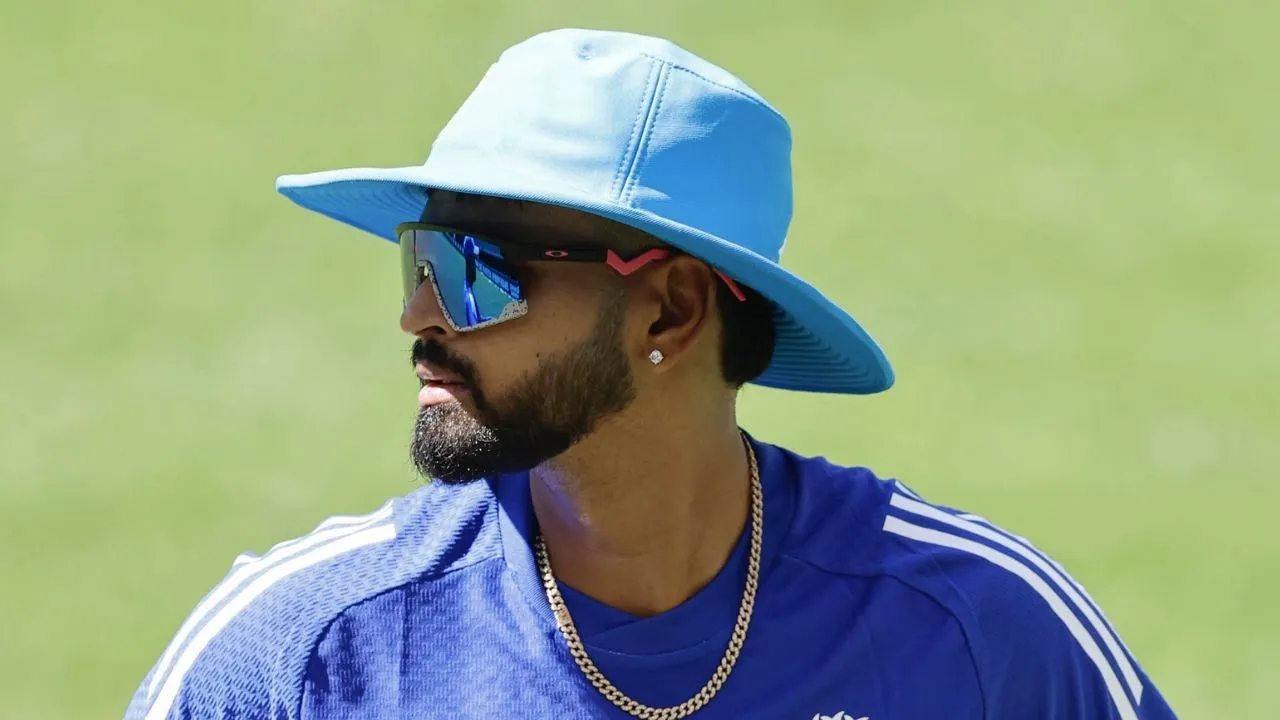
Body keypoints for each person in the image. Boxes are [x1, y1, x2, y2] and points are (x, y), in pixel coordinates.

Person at [124, 28, 1177, 720]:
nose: (418, 316)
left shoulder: (976, 629)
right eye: (418, 262)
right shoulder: (306, 649)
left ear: (670, 309)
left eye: (475, 270)